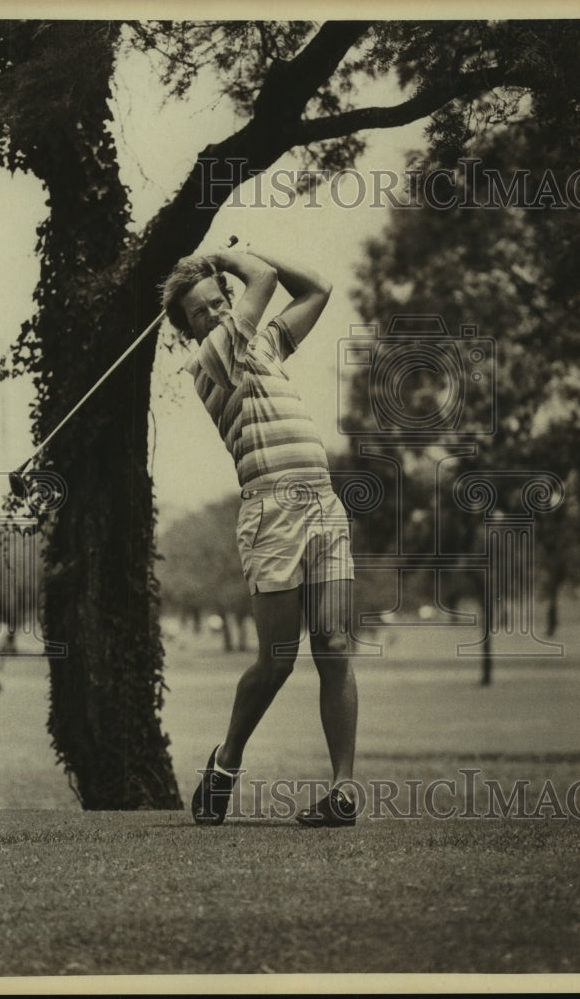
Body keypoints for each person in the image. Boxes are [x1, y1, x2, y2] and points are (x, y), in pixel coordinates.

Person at [161, 245, 358, 828]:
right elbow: (267, 279)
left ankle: (342, 792)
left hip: (322, 501)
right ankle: (225, 765)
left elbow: (318, 286)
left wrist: (245, 256)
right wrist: (229, 255)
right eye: (201, 312)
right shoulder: (211, 361)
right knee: (277, 659)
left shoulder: (264, 345)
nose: (217, 314)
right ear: (187, 331)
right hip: (271, 511)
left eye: (220, 301)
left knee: (336, 649)